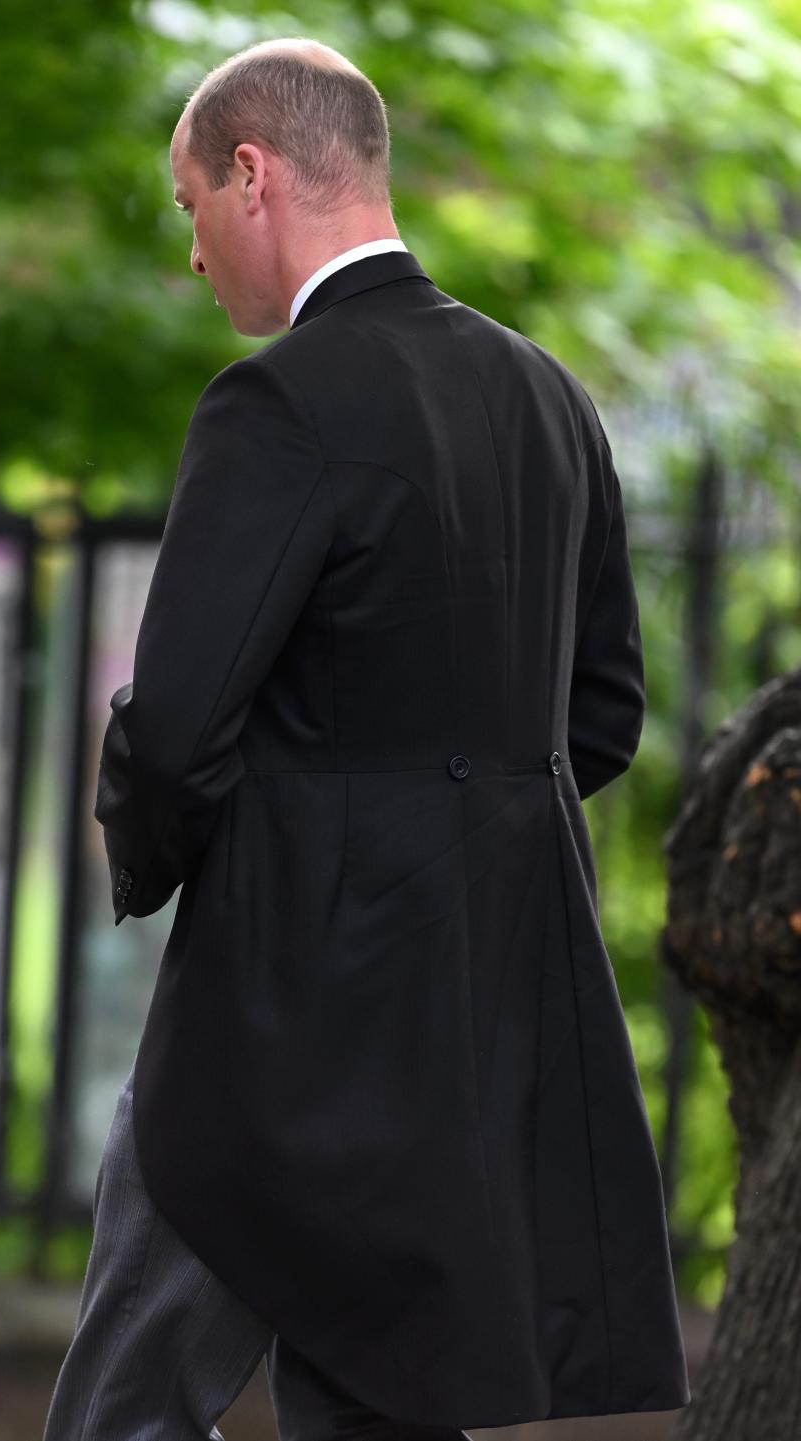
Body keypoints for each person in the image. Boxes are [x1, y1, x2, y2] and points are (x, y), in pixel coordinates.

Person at [43, 35, 692, 1441]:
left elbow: (176, 735)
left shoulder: (279, 403)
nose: (196, 256)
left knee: (128, 1403)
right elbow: (601, 717)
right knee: (386, 1402)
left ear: (253, 174)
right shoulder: (550, 404)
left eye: (190, 207)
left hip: (275, 1008)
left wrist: (176, 852)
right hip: (474, 1004)